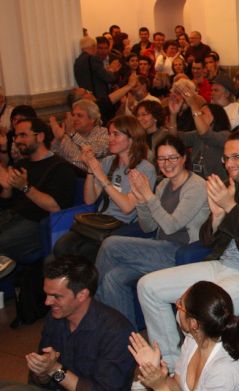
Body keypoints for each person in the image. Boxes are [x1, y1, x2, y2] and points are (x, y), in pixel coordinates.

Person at [137, 129, 239, 370]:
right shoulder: (228, 186)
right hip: (220, 264)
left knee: (195, 312)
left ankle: (187, 376)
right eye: (226, 158)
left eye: (236, 157)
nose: (229, 163)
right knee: (148, 286)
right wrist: (216, 216)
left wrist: (230, 208)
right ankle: (168, 366)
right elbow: (207, 240)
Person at [0, 255, 135, 391]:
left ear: (82, 295)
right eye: (47, 294)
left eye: (56, 296)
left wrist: (55, 369)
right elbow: (40, 383)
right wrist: (42, 372)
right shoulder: (55, 319)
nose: (47, 302)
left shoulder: (116, 332)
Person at [95, 136, 209, 327]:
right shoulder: (164, 185)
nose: (167, 164)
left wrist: (148, 194)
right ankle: (125, 338)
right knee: (113, 278)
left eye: (172, 158)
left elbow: (172, 225)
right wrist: (141, 199)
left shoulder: (197, 186)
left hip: (182, 253)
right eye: (162, 159)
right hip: (160, 249)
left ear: (183, 158)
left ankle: (92, 309)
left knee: (111, 243)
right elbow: (149, 227)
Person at [129, 281, 239, 391]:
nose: (177, 305)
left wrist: (160, 388)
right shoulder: (192, 341)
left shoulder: (224, 370)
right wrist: (155, 372)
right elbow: (179, 389)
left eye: (180, 304)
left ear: (193, 323)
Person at [53, 115, 156, 263]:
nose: (110, 138)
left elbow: (127, 208)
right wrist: (90, 168)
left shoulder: (145, 169)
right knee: (60, 247)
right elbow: (90, 199)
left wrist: (102, 177)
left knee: (82, 255)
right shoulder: (109, 161)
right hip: (101, 220)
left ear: (132, 138)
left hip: (122, 224)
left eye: (116, 134)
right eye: (109, 133)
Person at [0, 118, 76, 272]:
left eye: (23, 135)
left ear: (40, 136)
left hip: (39, 225)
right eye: (16, 136)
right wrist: (7, 189)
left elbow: (55, 207)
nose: (17, 141)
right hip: (14, 218)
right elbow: (8, 203)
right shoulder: (21, 165)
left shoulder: (60, 168)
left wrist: (25, 187)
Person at [169, 81, 232, 179]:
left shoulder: (225, 136)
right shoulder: (197, 135)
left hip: (217, 185)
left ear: (215, 117)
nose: (198, 116)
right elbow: (174, 137)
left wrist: (193, 105)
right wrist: (173, 114)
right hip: (196, 182)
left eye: (203, 114)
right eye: (199, 113)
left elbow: (206, 135)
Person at [49, 99, 110, 172]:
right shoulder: (66, 135)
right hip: (68, 176)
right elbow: (53, 156)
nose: (74, 119)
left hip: (92, 178)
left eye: (79, 115)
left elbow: (95, 151)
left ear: (92, 119)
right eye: (73, 115)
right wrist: (58, 139)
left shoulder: (102, 132)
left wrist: (73, 134)